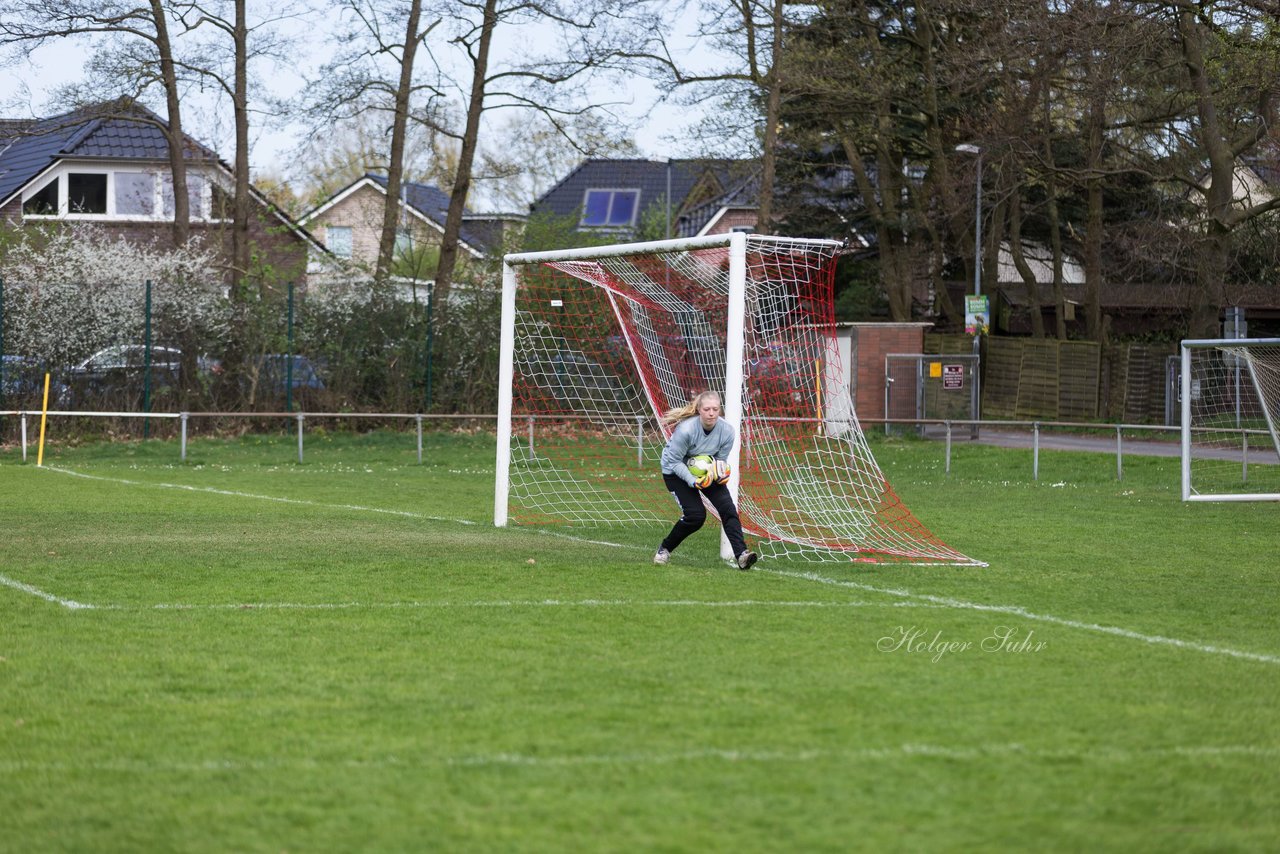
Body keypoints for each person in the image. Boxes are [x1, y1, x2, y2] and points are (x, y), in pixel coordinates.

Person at [653, 390, 758, 570]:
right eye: (707, 409)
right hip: (676, 471)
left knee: (728, 508)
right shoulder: (686, 430)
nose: (711, 413)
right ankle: (664, 549)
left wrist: (720, 473)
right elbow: (674, 461)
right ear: (699, 410)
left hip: (706, 472)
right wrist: (693, 481)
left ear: (720, 411)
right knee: (696, 516)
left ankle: (742, 555)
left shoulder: (727, 432)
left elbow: (720, 460)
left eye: (715, 409)